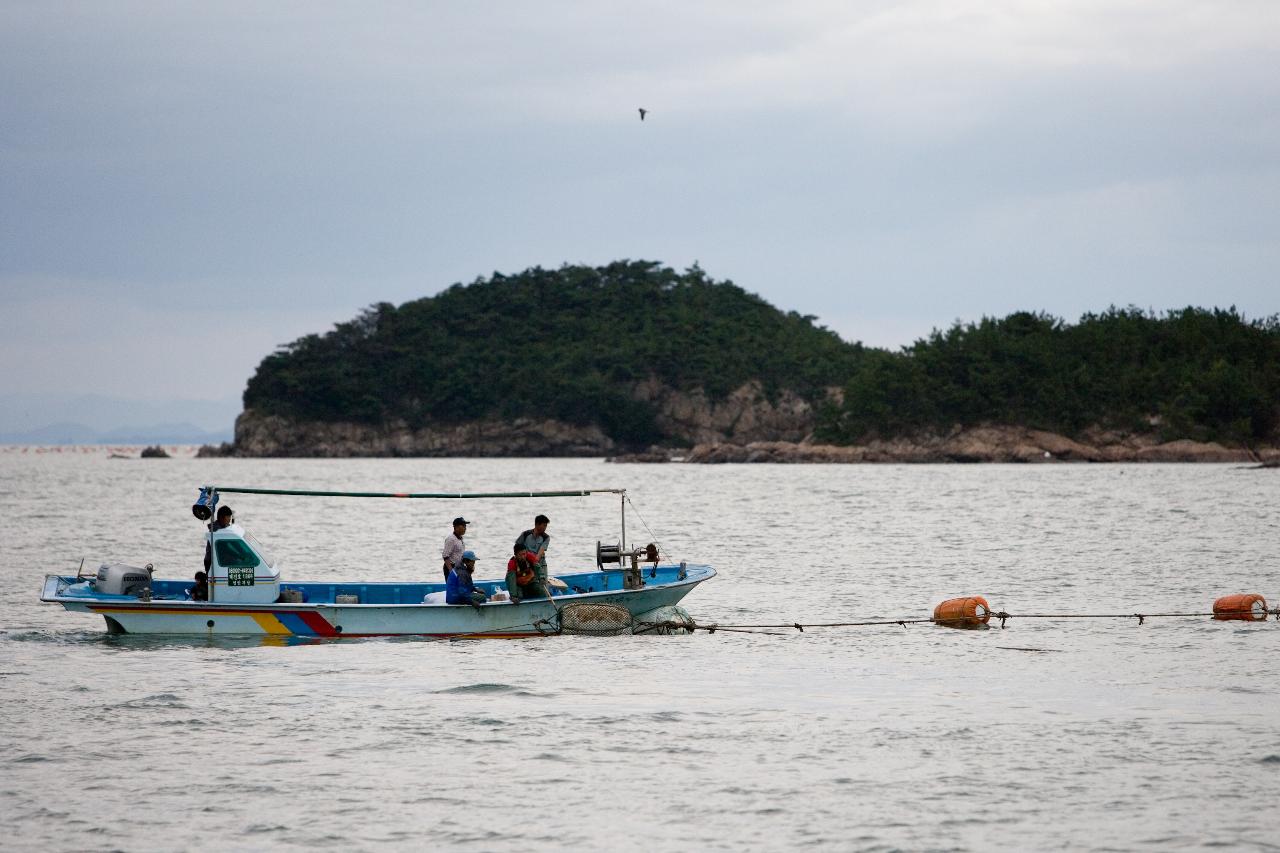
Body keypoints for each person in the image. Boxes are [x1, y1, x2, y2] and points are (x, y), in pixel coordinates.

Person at [514, 514, 551, 589]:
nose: (545, 528)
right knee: (525, 584)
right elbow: (517, 547)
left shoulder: (546, 537)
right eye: (544, 525)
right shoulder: (525, 534)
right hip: (526, 564)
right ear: (537, 524)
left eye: (546, 526)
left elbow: (539, 555)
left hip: (540, 564)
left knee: (543, 586)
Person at [203, 505, 234, 571]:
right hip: (211, 561)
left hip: (219, 559)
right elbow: (226, 546)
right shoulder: (216, 529)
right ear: (221, 517)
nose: (229, 519)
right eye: (228, 517)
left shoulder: (225, 526)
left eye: (230, 517)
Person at [441, 517, 468, 581]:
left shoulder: (460, 538)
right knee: (453, 588)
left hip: (459, 567)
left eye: (465, 526)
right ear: (456, 527)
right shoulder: (451, 539)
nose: (465, 528)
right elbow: (445, 556)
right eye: (463, 526)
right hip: (451, 567)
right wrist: (451, 571)